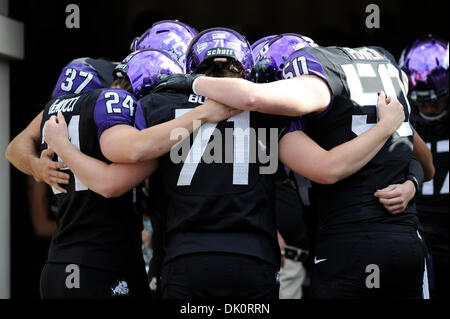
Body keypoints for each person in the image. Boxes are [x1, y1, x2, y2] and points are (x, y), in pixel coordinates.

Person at [156, 41, 435, 298]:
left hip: (346, 244)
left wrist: (192, 83)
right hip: (406, 241)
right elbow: (417, 154)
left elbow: (254, 99)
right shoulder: (362, 91)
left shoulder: (302, 98)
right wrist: (411, 177)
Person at [399, 35, 449, 299]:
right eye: (423, 102)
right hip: (421, 234)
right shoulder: (401, 122)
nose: (429, 108)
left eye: (436, 101)